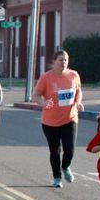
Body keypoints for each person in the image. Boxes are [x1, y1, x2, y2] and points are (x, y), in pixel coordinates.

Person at [33, 49, 84, 188]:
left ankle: (66, 166)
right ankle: (57, 177)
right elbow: (36, 95)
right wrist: (43, 103)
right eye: (61, 59)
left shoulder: (73, 75)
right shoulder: (46, 77)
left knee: (70, 148)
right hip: (50, 121)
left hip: (70, 118)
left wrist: (78, 102)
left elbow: (78, 91)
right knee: (55, 150)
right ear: (54, 61)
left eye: (66, 59)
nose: (64, 62)